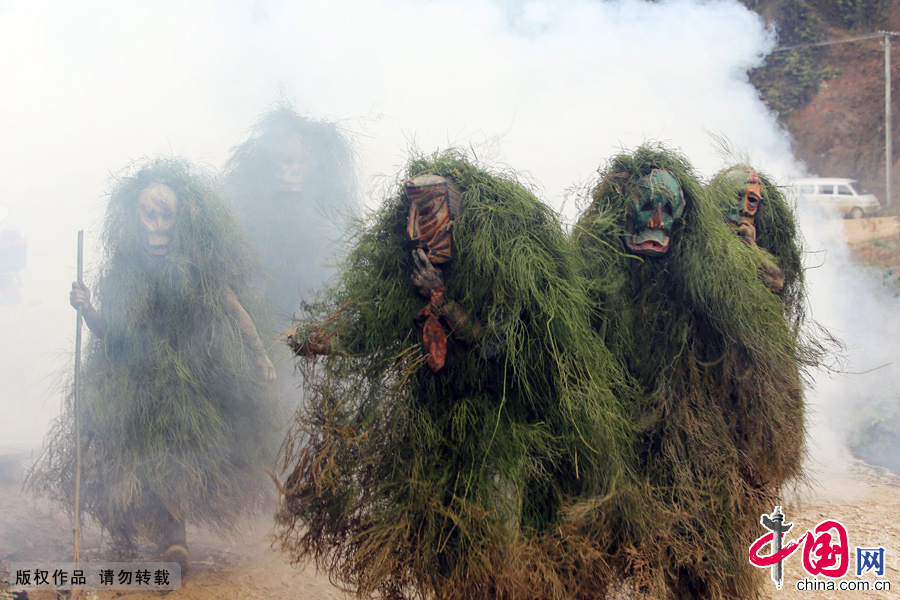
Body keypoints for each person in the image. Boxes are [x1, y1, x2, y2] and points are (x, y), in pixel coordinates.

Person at [276, 150, 633, 600]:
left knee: (495, 538)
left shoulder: (502, 271)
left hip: (497, 431)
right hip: (435, 422)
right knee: (442, 544)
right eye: (410, 215)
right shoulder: (409, 270)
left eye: (425, 213)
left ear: (456, 213)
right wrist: (325, 340)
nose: (413, 229)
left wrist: (441, 301)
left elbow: (493, 345)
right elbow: (375, 327)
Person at [572, 144, 815, 600]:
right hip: (622, 425)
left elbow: (761, 308)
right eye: (648, 206)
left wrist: (749, 259)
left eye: (670, 209)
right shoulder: (601, 274)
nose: (658, 221)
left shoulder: (706, 275)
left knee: (696, 545)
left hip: (696, 429)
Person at [31, 158, 279, 572]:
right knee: (144, 455)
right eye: (149, 215)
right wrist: (87, 306)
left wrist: (260, 355)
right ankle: (161, 532)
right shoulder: (125, 272)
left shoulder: (198, 268)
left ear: (182, 220)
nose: (158, 226)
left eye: (168, 216)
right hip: (137, 381)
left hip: (189, 381)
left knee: (179, 450)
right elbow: (112, 332)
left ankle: (175, 537)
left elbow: (232, 308)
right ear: (134, 218)